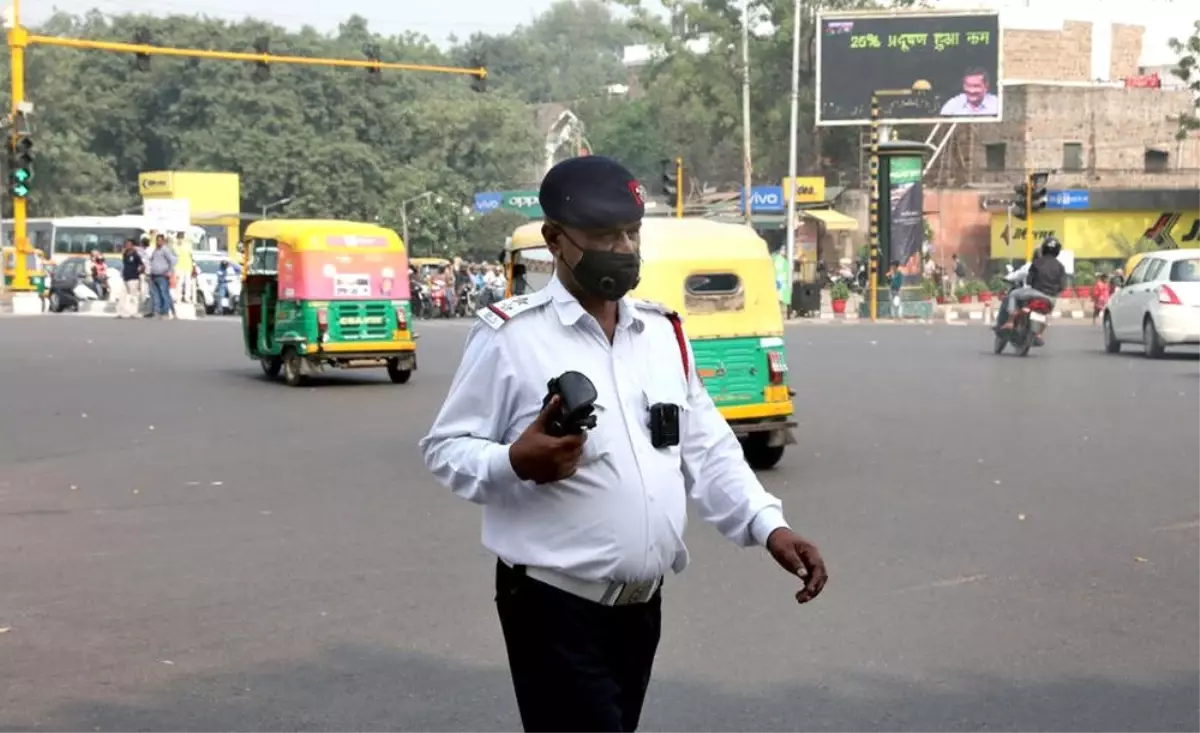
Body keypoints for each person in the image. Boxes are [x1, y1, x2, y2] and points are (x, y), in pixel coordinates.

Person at [420, 155, 827, 733]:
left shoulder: (662, 334)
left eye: (631, 233)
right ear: (555, 239)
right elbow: (445, 448)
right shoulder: (511, 338)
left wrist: (769, 526)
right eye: (603, 235)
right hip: (553, 608)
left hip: (641, 609)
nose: (623, 248)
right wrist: (513, 461)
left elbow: (706, 449)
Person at [995, 237, 1066, 331]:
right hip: (1051, 298)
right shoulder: (1060, 266)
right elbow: (1063, 285)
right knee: (1047, 314)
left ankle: (1010, 321)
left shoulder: (1035, 263)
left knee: (1012, 294)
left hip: (1034, 293)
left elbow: (1029, 280)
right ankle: (1039, 334)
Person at [146, 233, 177, 319]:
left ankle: (165, 312)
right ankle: (157, 312)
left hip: (162, 275)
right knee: (156, 295)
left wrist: (169, 272)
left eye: (160, 240)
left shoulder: (165, 250)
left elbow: (173, 261)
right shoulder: (155, 250)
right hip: (154, 275)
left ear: (163, 241)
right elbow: (152, 261)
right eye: (157, 240)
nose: (158, 242)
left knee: (164, 294)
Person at [117, 238, 143, 319]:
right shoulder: (125, 254)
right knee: (122, 295)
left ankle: (133, 312)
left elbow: (142, 265)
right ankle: (121, 312)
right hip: (125, 277)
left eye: (129, 244)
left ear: (132, 246)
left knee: (133, 295)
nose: (127, 246)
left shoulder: (136, 255)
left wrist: (138, 273)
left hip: (133, 277)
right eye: (126, 244)